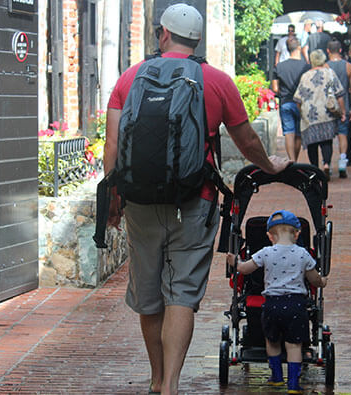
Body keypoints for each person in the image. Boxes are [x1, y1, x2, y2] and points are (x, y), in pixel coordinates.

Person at [103, 4, 290, 394]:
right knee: (182, 294)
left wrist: (113, 199)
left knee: (149, 294)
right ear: (198, 40)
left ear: (163, 35)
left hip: (139, 203)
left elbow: (113, 147)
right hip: (195, 200)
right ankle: (172, 384)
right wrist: (270, 165)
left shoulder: (130, 78)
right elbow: (247, 140)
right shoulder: (215, 80)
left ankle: (155, 380)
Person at [227, 210, 328, 394]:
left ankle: (276, 377)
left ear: (270, 236)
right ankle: (293, 384)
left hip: (272, 304)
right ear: (297, 234)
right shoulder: (303, 254)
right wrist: (322, 281)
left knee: (272, 341)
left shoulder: (265, 252)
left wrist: (236, 261)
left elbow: (245, 269)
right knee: (294, 345)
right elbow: (314, 279)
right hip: (296, 304)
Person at [293, 49, 346, 179]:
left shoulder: (305, 76)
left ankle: (315, 169)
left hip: (310, 114)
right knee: (326, 141)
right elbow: (339, 95)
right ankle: (327, 164)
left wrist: (301, 112)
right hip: (326, 113)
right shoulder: (330, 73)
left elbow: (298, 98)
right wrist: (343, 112)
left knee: (312, 143)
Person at [272, 37, 311, 161]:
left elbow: (274, 88)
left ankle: (291, 160)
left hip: (285, 101)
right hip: (301, 103)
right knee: (298, 134)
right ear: (299, 48)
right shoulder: (306, 67)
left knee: (289, 133)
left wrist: (283, 92)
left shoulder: (280, 66)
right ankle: (296, 158)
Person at [326, 39, 351, 178]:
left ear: (328, 51)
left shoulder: (325, 67)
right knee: (343, 134)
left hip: (328, 107)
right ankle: (343, 160)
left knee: (328, 136)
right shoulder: (348, 67)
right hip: (344, 104)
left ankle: (327, 162)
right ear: (340, 50)